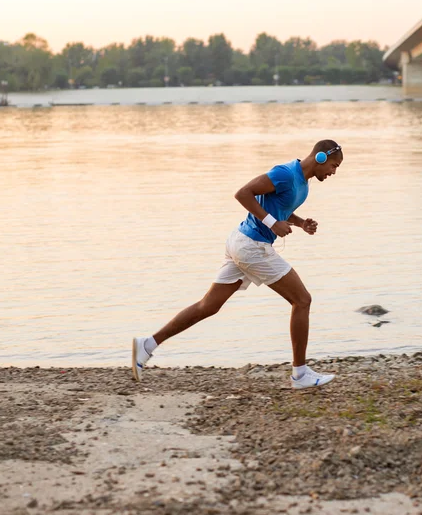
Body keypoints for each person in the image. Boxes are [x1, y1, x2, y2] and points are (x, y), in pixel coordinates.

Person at [132, 139, 344, 389]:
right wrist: (272, 224)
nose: (333, 172)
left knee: (208, 306)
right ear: (320, 158)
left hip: (241, 242)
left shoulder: (304, 185)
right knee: (302, 300)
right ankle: (300, 374)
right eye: (333, 165)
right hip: (251, 246)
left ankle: (148, 344)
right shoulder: (284, 173)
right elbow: (243, 193)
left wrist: (300, 223)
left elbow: (280, 208)